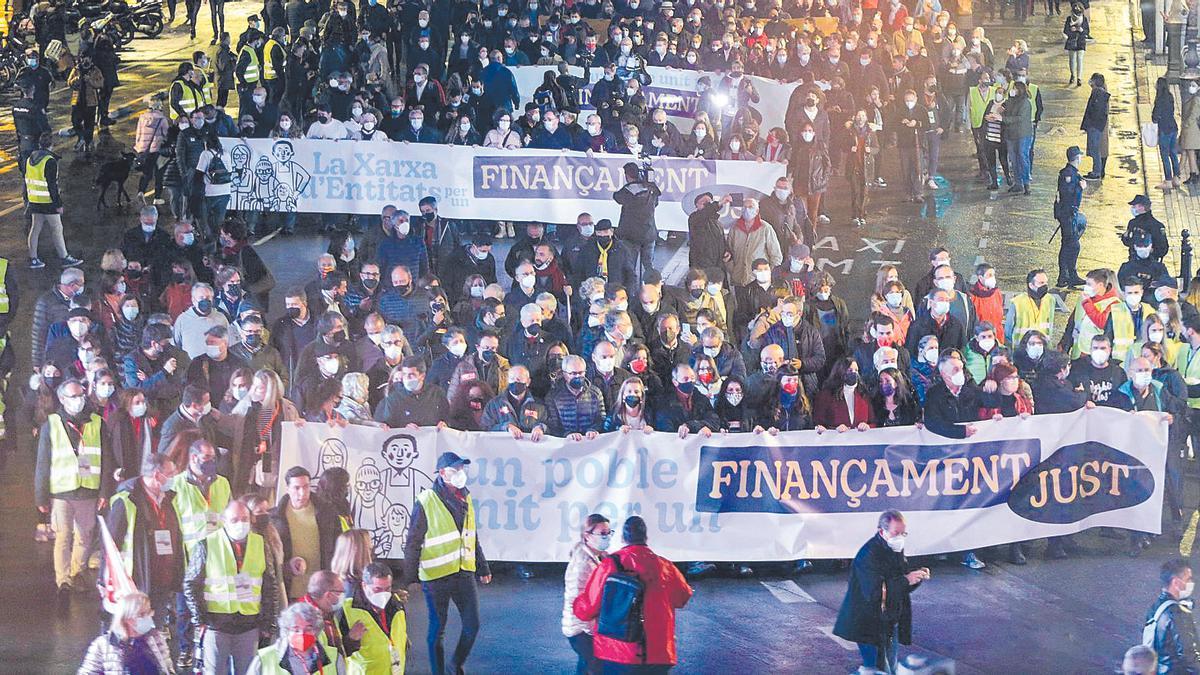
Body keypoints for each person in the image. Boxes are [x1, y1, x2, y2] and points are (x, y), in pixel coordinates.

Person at [403, 452, 491, 675]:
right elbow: (413, 541)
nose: (460, 474)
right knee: (437, 629)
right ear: (442, 473)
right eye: (455, 469)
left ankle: (455, 664)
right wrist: (409, 578)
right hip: (436, 576)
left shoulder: (466, 498)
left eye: (462, 469)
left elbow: (471, 535)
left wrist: (482, 566)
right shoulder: (426, 501)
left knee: (472, 625)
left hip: (463, 572)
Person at [572, 515, 693, 674]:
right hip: (659, 653)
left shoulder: (610, 565)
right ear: (646, 537)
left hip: (618, 652)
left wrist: (575, 601)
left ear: (623, 538)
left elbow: (586, 610)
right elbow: (682, 597)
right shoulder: (665, 566)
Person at [36, 379, 114, 601]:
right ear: (62, 399)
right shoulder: (51, 424)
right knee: (62, 536)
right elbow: (43, 462)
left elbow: (107, 460)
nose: (79, 400)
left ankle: (76, 571)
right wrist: (40, 496)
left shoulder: (97, 423)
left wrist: (104, 492)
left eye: (81, 395)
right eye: (73, 396)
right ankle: (63, 580)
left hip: (88, 490)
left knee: (85, 536)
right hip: (61, 492)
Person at [184, 498, 279, 675]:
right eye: (234, 520)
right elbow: (191, 584)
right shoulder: (206, 544)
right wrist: (200, 619)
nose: (240, 524)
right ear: (224, 520)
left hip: (249, 624)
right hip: (216, 624)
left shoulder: (261, 544)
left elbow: (269, 586)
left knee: (248, 672)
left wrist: (269, 623)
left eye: (244, 519)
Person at [834, 510, 929, 675]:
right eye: (896, 533)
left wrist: (916, 578)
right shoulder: (869, 554)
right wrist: (907, 579)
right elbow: (874, 592)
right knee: (876, 668)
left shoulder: (894, 549)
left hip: (888, 620)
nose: (900, 537)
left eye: (903, 533)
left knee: (886, 668)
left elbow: (900, 585)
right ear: (882, 531)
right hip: (868, 622)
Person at [103, 452, 183, 631]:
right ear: (156, 475)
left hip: (164, 582)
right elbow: (110, 544)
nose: (173, 479)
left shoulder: (169, 498)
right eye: (170, 475)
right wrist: (104, 580)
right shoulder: (127, 501)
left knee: (155, 634)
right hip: (138, 584)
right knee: (134, 634)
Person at [271, 466, 340, 602]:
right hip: (289, 589)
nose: (302, 493)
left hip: (321, 590)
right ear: (288, 488)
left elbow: (338, 546)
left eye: (306, 487)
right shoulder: (275, 518)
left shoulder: (327, 512)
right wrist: (287, 566)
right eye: (297, 488)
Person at [334, 561, 408, 674]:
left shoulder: (397, 604)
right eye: (377, 589)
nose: (383, 594)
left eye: (387, 589)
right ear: (364, 585)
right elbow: (335, 655)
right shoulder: (347, 610)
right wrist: (350, 640)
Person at [23, 133, 83, 269]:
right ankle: (64, 257)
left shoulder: (29, 159)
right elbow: (52, 185)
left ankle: (33, 258)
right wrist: (58, 204)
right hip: (48, 202)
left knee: (35, 228)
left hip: (34, 200)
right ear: (51, 145)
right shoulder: (49, 161)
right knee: (57, 228)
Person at [78, 592, 175, 674]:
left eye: (149, 612)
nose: (148, 617)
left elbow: (168, 669)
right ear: (127, 618)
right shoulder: (102, 645)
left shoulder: (156, 638)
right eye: (142, 614)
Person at [563, 514, 612, 675]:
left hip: (587, 627)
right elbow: (579, 602)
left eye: (608, 532)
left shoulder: (598, 557)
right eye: (602, 534)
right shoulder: (583, 564)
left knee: (586, 667)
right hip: (581, 629)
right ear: (587, 535)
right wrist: (590, 631)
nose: (607, 537)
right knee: (596, 667)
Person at [249, 602, 344, 674]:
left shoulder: (334, 658)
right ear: (286, 631)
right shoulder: (265, 658)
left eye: (308, 629)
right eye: (296, 629)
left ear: (316, 631)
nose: (302, 634)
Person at [1145, 559, 1200, 672]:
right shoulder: (1178, 614)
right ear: (1175, 582)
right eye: (1188, 579)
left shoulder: (1156, 607)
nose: (1191, 583)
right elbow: (1188, 655)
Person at [612, 162, 662, 281]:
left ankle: (631, 292)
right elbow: (656, 203)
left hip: (630, 235)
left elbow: (617, 197)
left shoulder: (627, 190)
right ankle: (653, 288)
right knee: (649, 265)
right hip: (649, 233)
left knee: (630, 267)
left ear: (627, 175)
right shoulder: (651, 188)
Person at [1054, 147, 1087, 288]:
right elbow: (1067, 194)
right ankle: (1066, 276)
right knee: (1072, 246)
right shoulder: (1068, 174)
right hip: (1067, 214)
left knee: (1068, 245)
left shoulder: (1072, 173)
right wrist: (1080, 188)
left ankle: (1067, 275)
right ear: (1076, 158)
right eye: (1079, 156)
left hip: (1069, 214)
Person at [1152, 77, 1182, 190]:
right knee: (1173, 153)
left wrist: (1155, 117)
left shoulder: (1159, 99)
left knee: (1165, 155)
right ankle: (1177, 178)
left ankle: (1168, 180)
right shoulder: (1170, 96)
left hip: (1164, 130)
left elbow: (1155, 117)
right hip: (1173, 128)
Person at [1081, 73, 1110, 179]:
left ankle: (1096, 171)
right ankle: (1096, 170)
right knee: (1095, 148)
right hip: (1095, 126)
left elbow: (1095, 111)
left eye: (1092, 80)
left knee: (1095, 149)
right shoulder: (1098, 92)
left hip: (1095, 126)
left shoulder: (1099, 94)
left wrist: (1090, 125)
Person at [1063, 5, 1088, 86]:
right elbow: (1065, 30)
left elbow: (1087, 31)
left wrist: (1081, 30)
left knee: (1080, 59)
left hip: (1080, 42)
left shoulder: (1084, 19)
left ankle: (1079, 78)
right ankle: (1073, 75)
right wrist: (1071, 30)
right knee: (1072, 60)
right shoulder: (1069, 19)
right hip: (1071, 41)